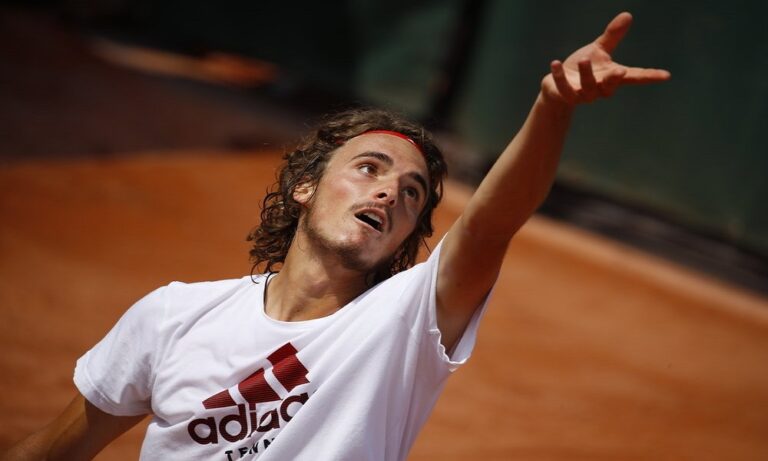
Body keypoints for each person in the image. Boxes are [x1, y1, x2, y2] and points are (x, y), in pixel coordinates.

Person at [3, 11, 669, 461]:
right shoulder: (173, 315)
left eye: (412, 193)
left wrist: (553, 105)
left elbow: (492, 222)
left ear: (405, 237)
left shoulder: (403, 326)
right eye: (369, 169)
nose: (389, 192)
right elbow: (59, 448)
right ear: (305, 187)